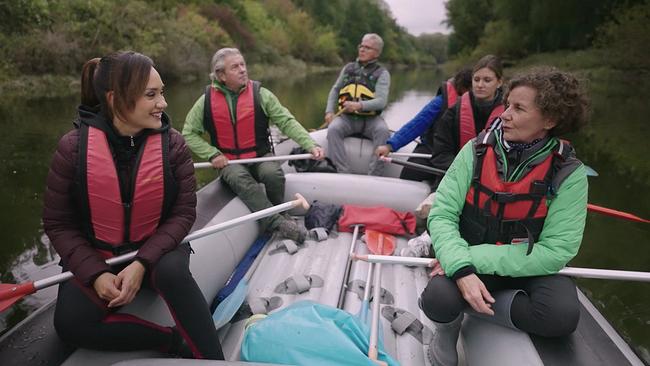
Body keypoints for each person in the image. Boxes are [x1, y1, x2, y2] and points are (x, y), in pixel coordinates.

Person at [42, 51, 224, 359]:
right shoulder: (72, 149)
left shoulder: (174, 145)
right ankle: (171, 340)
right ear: (114, 99)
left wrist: (142, 263)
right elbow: (59, 224)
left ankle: (214, 359)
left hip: (158, 250)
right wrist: (95, 274)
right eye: (151, 95)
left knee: (172, 273)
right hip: (99, 253)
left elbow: (183, 214)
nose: (163, 104)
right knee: (70, 324)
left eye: (162, 92)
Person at [420, 68, 590, 366]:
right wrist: (460, 268)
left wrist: (471, 259)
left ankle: (472, 305)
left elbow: (557, 250)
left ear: (549, 120)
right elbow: (443, 214)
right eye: (507, 104)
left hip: (525, 267)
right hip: (467, 260)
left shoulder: (569, 173)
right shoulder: (474, 151)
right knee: (437, 298)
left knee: (562, 315)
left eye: (518, 108)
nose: (504, 115)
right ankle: (448, 327)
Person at [182, 48, 324, 243]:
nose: (242, 70)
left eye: (243, 64)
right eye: (235, 67)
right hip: (228, 162)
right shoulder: (205, 101)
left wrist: (310, 144)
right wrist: (212, 154)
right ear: (221, 75)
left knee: (272, 174)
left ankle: (279, 211)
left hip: (259, 155)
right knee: (239, 177)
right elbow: (189, 133)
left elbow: (286, 122)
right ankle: (278, 222)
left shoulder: (261, 95)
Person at [375, 68, 472, 182]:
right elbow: (416, 124)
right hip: (431, 150)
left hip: (456, 157)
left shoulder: (486, 108)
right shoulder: (440, 102)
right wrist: (389, 146)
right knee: (408, 177)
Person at [429, 54, 505, 188]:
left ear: (499, 82)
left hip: (494, 183)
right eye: (476, 79)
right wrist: (468, 173)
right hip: (454, 178)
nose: (480, 85)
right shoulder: (452, 113)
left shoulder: (509, 115)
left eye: (487, 80)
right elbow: (440, 155)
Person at [325, 33, 391, 175]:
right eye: (361, 46)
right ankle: (342, 172)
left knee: (383, 131)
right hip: (347, 119)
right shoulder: (348, 69)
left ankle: (374, 175)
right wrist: (329, 111)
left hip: (371, 120)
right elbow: (335, 90)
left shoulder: (382, 74)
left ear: (377, 53)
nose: (362, 49)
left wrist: (359, 106)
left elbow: (381, 102)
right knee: (333, 130)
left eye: (367, 47)